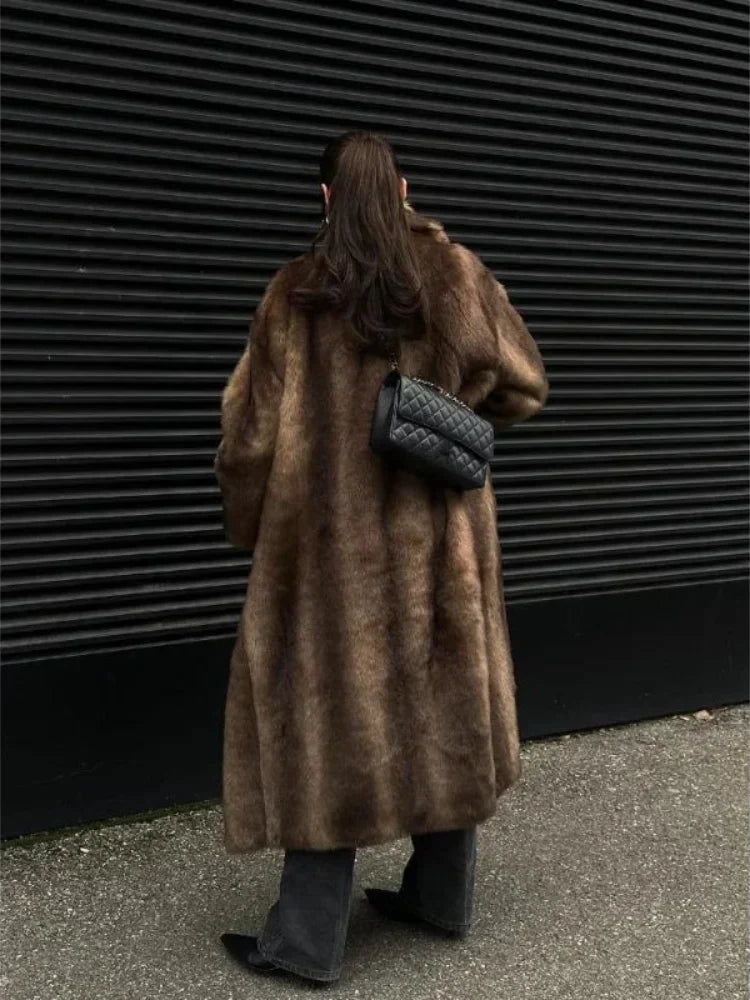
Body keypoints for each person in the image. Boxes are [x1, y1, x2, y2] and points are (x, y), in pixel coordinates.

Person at [215, 130, 549, 984]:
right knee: (443, 706)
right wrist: (448, 410)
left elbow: (248, 440)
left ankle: (306, 942)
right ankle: (440, 897)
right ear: (404, 190)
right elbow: (523, 385)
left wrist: (256, 528)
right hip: (443, 546)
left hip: (326, 560)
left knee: (326, 721)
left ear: (325, 199)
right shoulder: (456, 274)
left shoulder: (293, 297)